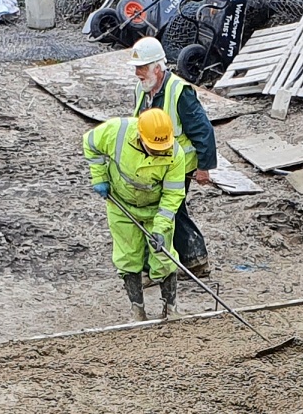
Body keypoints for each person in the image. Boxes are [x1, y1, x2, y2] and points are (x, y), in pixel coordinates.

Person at [83, 108, 195, 321]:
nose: (158, 153)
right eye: (153, 148)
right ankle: (137, 312)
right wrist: (98, 177)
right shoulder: (117, 131)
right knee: (127, 256)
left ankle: (170, 309)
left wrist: (161, 227)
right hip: (121, 203)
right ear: (140, 136)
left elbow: (173, 195)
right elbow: (90, 143)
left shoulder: (176, 154)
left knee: (164, 256)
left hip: (155, 209)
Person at [128, 36, 217, 275]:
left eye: (142, 68)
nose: (138, 73)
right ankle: (187, 259)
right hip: (155, 163)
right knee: (168, 209)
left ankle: (193, 259)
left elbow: (202, 129)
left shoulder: (179, 92)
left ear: (158, 68)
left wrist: (203, 167)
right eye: (136, 68)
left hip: (178, 164)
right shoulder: (142, 89)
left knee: (170, 208)